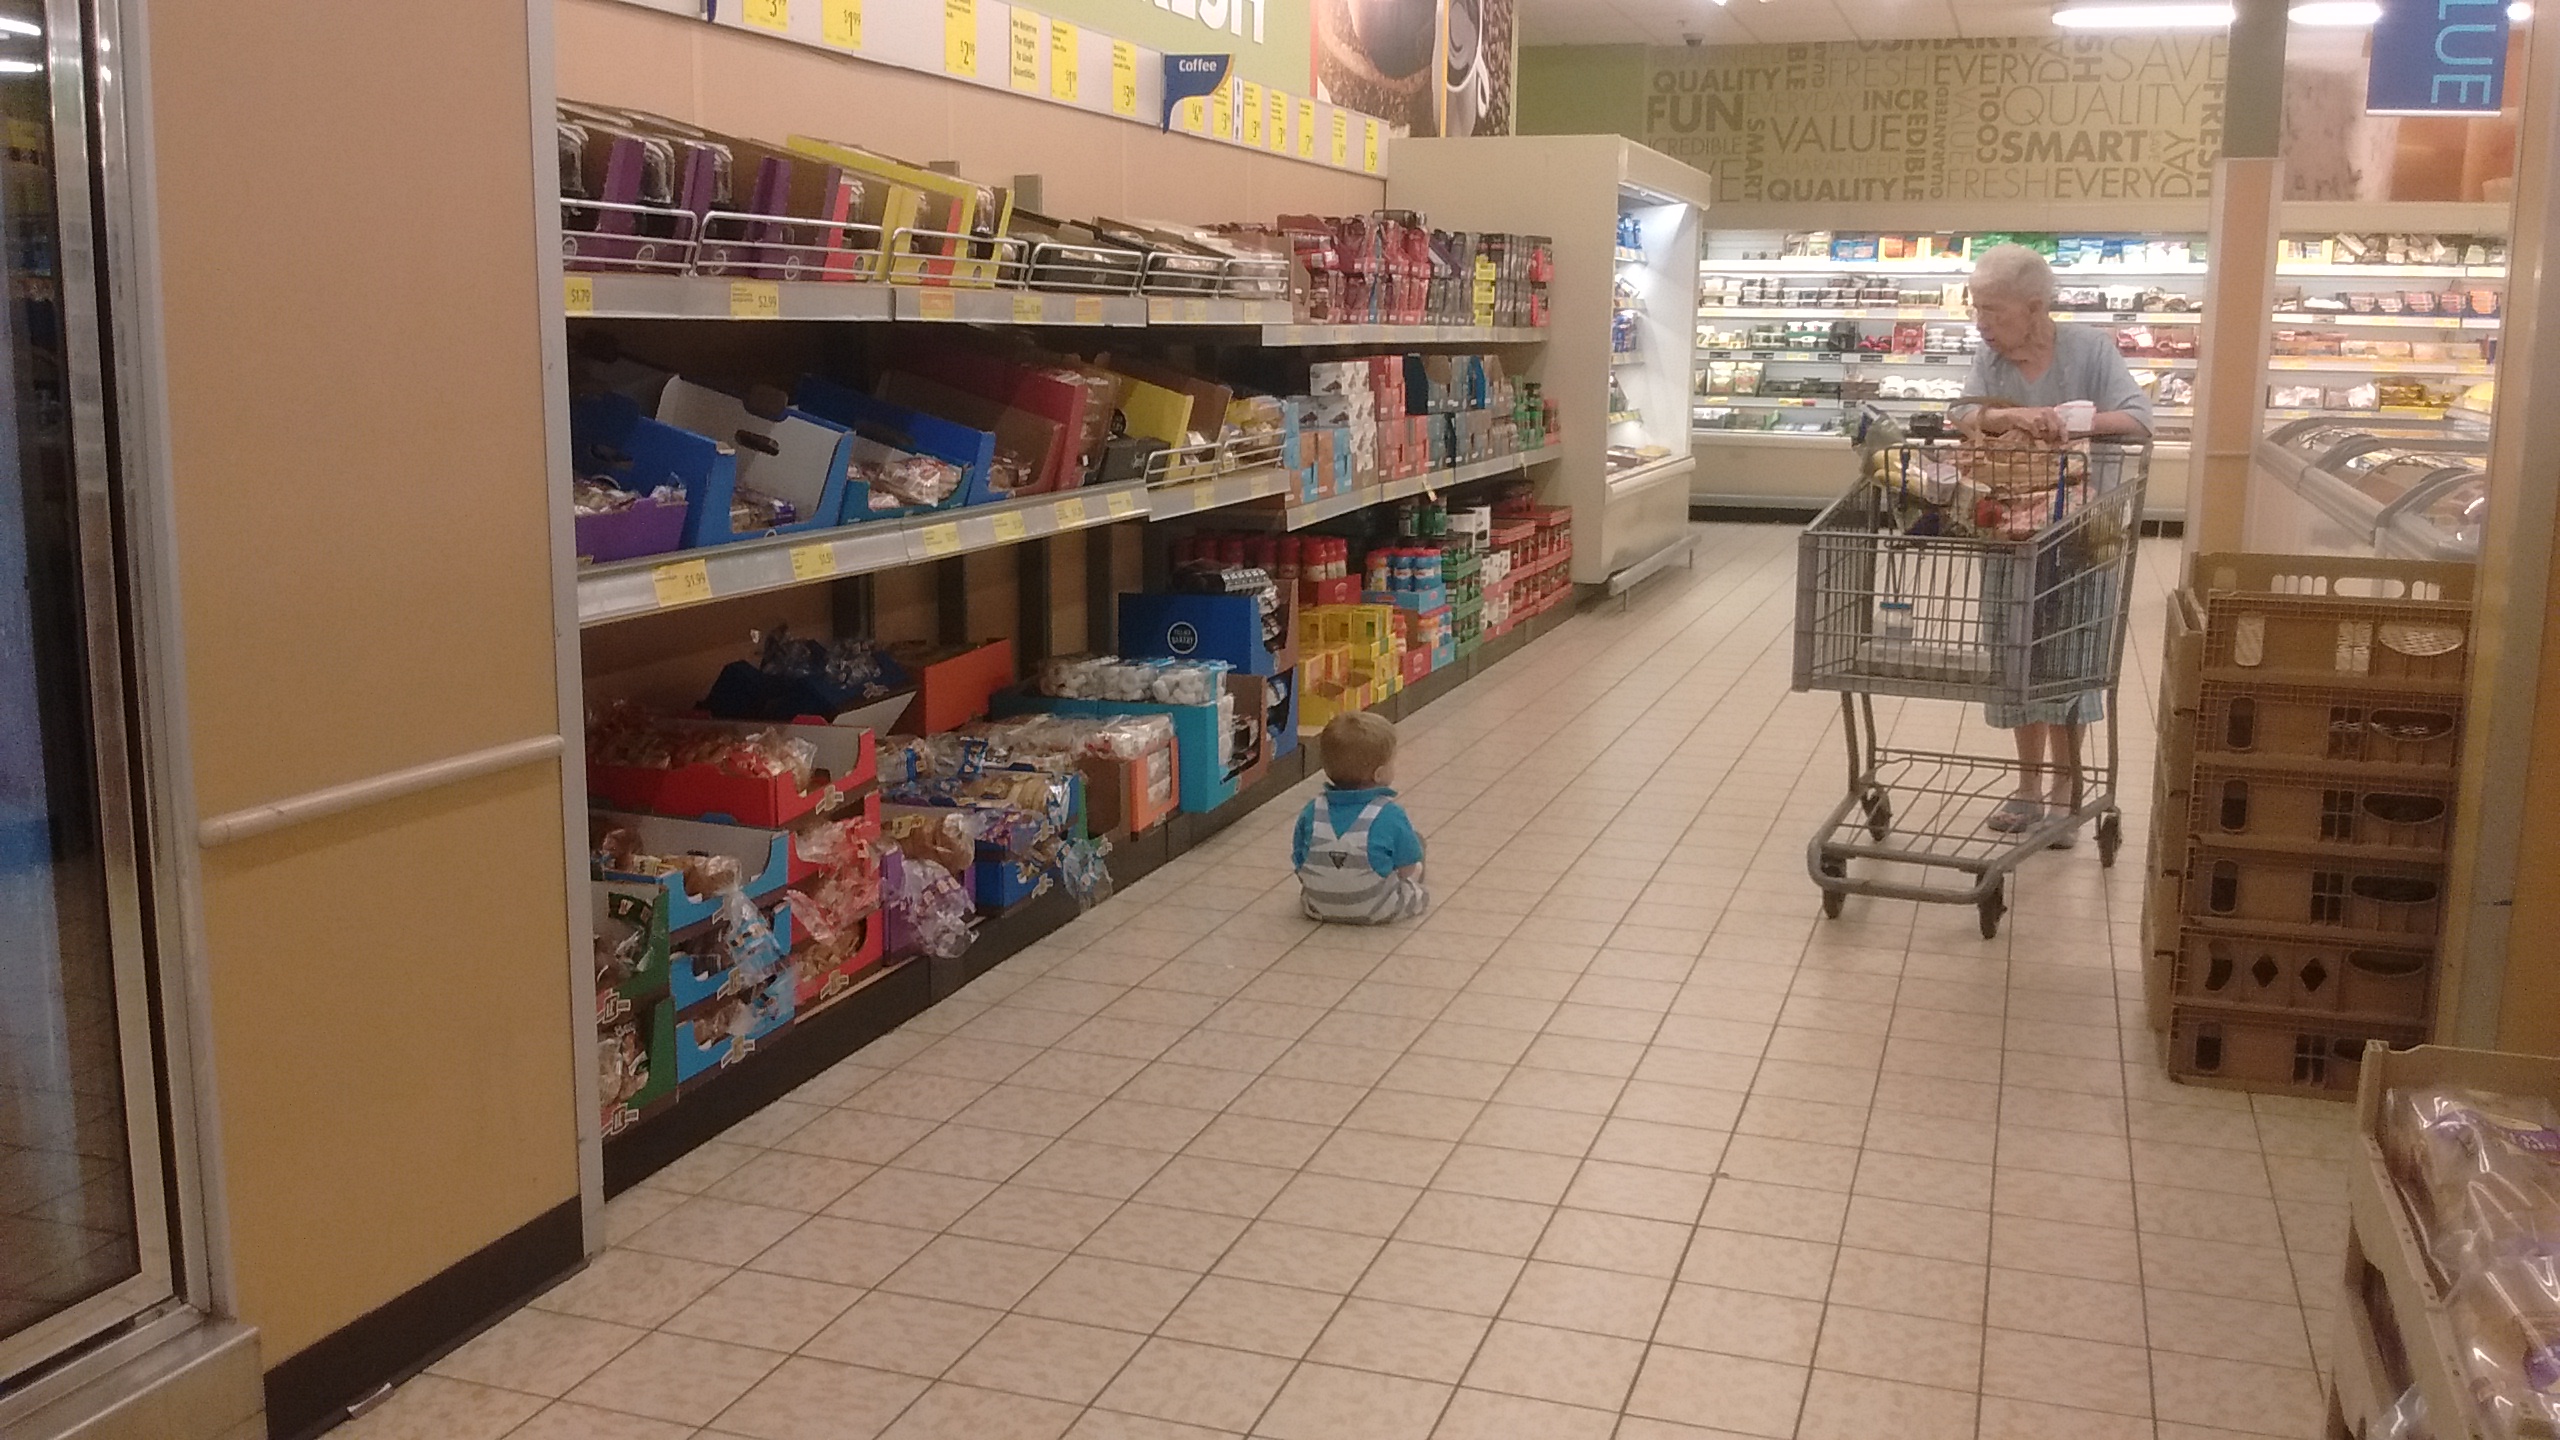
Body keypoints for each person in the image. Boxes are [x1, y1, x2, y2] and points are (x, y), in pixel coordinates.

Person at [1947, 243, 2151, 843]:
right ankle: (2028, 784)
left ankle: (2068, 784)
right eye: (1977, 308)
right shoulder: (1990, 360)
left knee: (2073, 658)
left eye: (1994, 310)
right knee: (2017, 655)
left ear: (2035, 309)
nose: (1981, 322)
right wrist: (2006, 419)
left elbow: (2139, 418)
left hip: (2087, 529)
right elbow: (1962, 408)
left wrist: (2069, 419)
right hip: (2009, 526)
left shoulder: (2090, 350)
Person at [1292, 711, 1428, 923]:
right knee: (1417, 851)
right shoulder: (1390, 813)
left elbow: (1299, 860)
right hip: (1379, 908)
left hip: (1317, 906)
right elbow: (1407, 866)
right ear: (1379, 774)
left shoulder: (1312, 810)